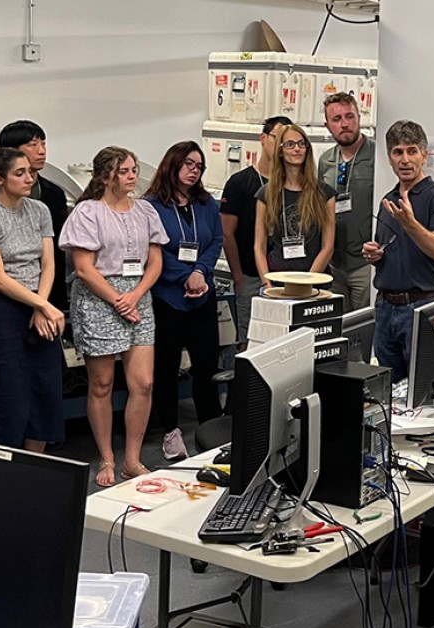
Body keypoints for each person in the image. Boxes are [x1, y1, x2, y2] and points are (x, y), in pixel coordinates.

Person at [59, 146, 168, 487]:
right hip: (98, 298)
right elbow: (83, 268)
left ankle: (132, 460)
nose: (132, 175)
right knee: (102, 383)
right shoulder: (88, 212)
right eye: (124, 171)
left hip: (138, 295)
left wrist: (134, 296)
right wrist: (117, 300)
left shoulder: (146, 211)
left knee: (144, 383)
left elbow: (156, 261)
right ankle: (107, 456)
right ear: (106, 176)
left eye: (134, 169)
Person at [0, 146, 65, 451]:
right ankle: (4, 471)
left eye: (31, 172)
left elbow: (48, 263)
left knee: (45, 391)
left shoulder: (40, 210)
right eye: (20, 173)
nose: (29, 178)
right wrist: (41, 305)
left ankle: (35, 467)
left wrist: (41, 304)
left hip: (39, 303)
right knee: (8, 394)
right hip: (4, 310)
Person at [144, 142, 224, 460]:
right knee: (166, 368)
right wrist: (184, 276)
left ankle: (211, 429)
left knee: (206, 367)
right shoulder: (150, 206)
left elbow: (215, 239)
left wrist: (201, 272)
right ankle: (171, 433)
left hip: (202, 295)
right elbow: (153, 249)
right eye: (188, 164)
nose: (194, 170)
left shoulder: (206, 203)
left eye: (199, 166)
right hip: (168, 298)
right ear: (172, 164)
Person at [362, 120, 434, 382]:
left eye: (412, 151)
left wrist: (410, 223)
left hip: (422, 306)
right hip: (385, 308)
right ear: (390, 158)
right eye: (398, 152)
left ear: (424, 155)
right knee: (389, 391)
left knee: (426, 389)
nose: (405, 159)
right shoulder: (388, 201)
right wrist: (374, 254)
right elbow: (389, 249)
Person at [0, 120, 69, 309]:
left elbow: (56, 249)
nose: (41, 151)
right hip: (6, 293)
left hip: (49, 289)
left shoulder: (53, 194)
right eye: (32, 145)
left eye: (43, 143)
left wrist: (44, 302)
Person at [220, 116, 292, 345]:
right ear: (263, 139)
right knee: (249, 342)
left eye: (287, 141)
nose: (282, 146)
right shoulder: (240, 182)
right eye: (277, 138)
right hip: (251, 276)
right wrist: (238, 276)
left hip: (285, 276)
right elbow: (227, 233)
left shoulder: (293, 183)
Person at [254, 124, 336, 286]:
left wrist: (307, 283)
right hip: (277, 279)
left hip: (315, 282)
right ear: (280, 151)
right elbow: (259, 245)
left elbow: (328, 246)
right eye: (290, 144)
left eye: (301, 143)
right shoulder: (266, 194)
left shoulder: (324, 193)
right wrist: (266, 283)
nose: (297, 149)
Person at [318, 92, 375, 311]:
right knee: (339, 327)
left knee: (365, 325)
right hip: (334, 262)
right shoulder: (326, 161)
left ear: (359, 118)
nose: (345, 124)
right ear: (327, 125)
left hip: (365, 262)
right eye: (337, 119)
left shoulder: (376, 156)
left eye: (349, 116)